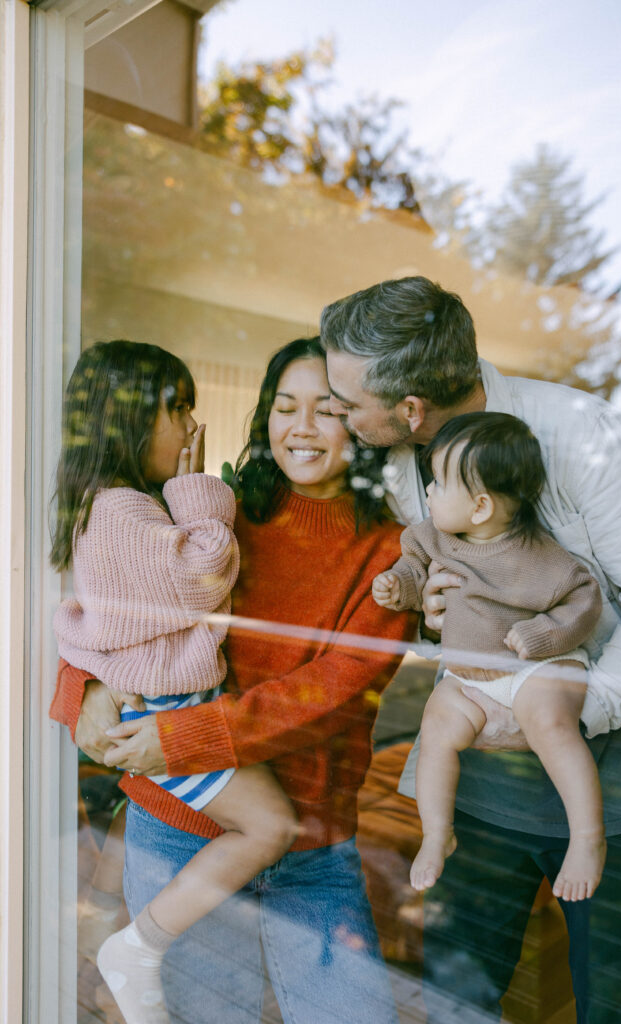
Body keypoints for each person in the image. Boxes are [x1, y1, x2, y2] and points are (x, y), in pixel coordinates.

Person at [320, 276, 621, 1024]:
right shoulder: (401, 464)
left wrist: (566, 711)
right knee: (456, 998)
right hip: (478, 791)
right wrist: (432, 618)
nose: (339, 415)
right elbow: (450, 602)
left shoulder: (584, 435)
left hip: (613, 796)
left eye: (349, 402)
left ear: (410, 408)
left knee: (618, 1009)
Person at [50, 337, 416, 1024]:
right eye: (284, 406)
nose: (301, 426)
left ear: (361, 423)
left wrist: (187, 735)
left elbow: (337, 690)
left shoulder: (389, 552)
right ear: (263, 417)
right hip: (179, 832)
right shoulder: (211, 518)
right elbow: (119, 616)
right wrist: (84, 691)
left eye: (327, 410)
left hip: (310, 844)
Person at [51, 340, 298, 1024]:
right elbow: (198, 580)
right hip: (171, 708)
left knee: (259, 826)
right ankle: (135, 949)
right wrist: (197, 496)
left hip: (167, 702)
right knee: (269, 824)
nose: (193, 425)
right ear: (129, 420)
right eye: (178, 408)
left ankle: (126, 951)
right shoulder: (125, 512)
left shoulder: (109, 507)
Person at [372, 411, 604, 901]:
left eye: (437, 482)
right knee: (437, 726)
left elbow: (584, 601)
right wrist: (400, 587)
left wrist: (543, 634)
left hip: (535, 668)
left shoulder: (538, 557)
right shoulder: (432, 536)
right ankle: (437, 833)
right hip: (468, 676)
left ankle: (587, 838)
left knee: (550, 724)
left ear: (480, 507)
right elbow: (414, 569)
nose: (428, 491)